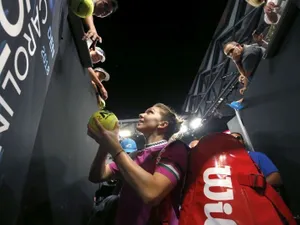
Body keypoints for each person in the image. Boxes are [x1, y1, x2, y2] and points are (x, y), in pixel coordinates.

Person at [87, 103, 188, 225]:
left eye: (150, 112)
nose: (141, 114)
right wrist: (104, 146)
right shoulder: (135, 156)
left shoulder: (175, 149)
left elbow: (152, 193)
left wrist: (116, 149)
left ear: (163, 124)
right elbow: (97, 176)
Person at [223, 41, 265, 110]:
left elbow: (246, 76)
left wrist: (245, 87)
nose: (231, 54)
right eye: (228, 54)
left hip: (266, 76)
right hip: (263, 73)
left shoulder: (248, 55)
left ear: (238, 46)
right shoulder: (246, 49)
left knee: (248, 90)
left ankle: (241, 102)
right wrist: (242, 75)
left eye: (231, 50)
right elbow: (244, 74)